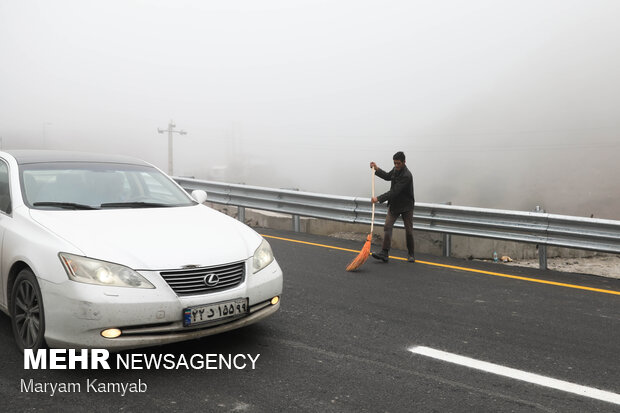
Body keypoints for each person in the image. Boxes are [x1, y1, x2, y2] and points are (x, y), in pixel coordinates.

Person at [369, 151, 415, 263]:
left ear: (404, 162)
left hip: (406, 206)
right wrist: (377, 169)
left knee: (409, 231)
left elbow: (394, 191)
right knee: (387, 226)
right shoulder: (395, 170)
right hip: (394, 204)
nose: (396, 166)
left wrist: (378, 198)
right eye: (394, 163)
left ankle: (411, 254)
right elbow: (387, 176)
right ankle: (384, 252)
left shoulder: (407, 176)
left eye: (398, 163)